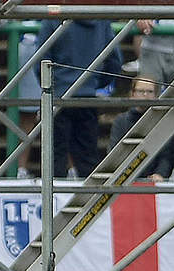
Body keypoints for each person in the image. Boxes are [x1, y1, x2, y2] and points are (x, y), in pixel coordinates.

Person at [36, 20, 122, 178]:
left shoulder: (52, 21)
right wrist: (93, 83)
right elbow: (115, 62)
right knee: (87, 156)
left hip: (58, 96)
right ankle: (89, 199)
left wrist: (53, 86)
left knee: (54, 156)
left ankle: (53, 200)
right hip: (87, 97)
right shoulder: (102, 23)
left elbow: (40, 60)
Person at [109, 76, 174, 181]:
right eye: (141, 91)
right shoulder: (120, 121)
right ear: (132, 94)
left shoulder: (162, 122)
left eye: (149, 91)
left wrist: (160, 174)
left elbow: (166, 154)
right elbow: (114, 153)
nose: (145, 95)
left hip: (155, 178)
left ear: (155, 95)